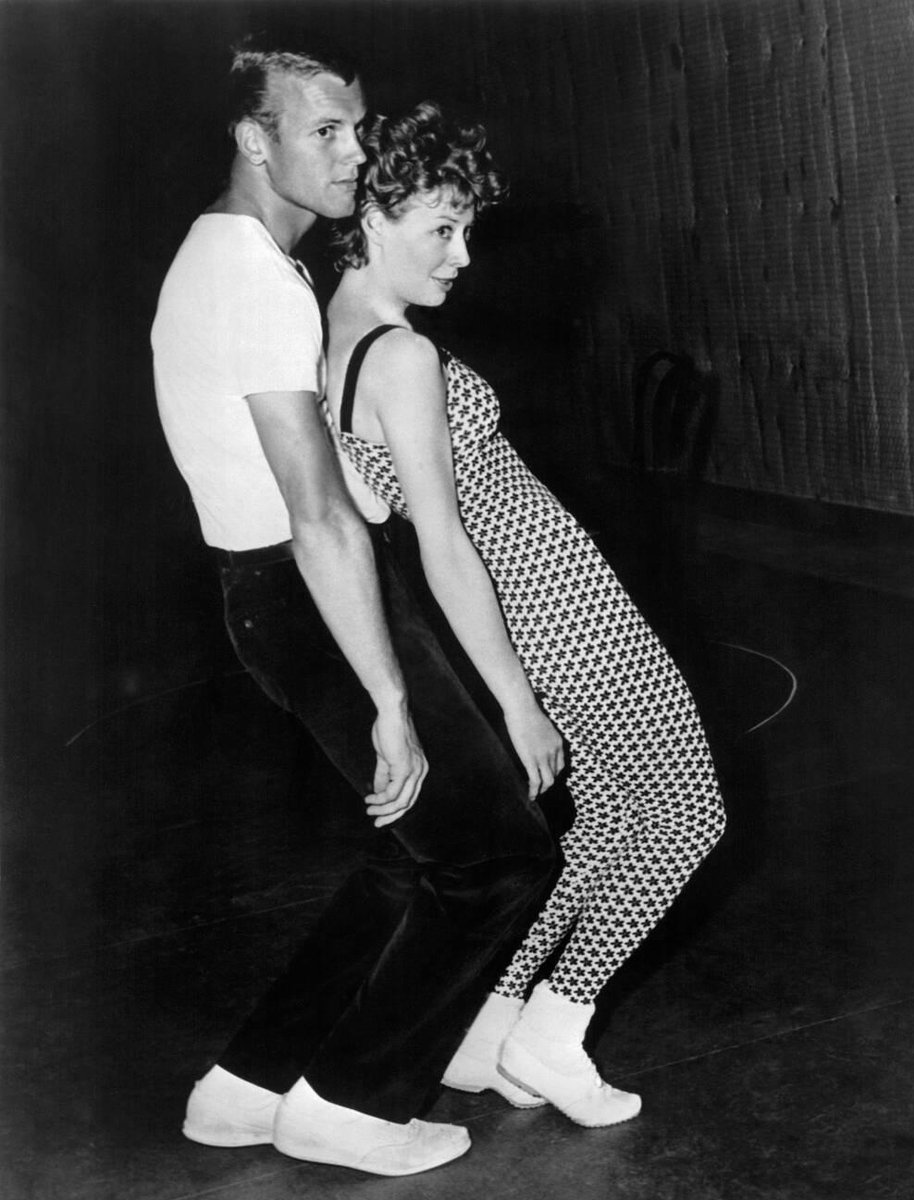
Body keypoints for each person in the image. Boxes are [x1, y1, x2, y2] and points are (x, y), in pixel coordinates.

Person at [150, 34, 557, 1177]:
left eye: (356, 127)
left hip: (282, 592)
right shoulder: (247, 279)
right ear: (253, 139)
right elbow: (321, 512)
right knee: (500, 857)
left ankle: (246, 1086)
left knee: (412, 854)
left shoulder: (234, 260)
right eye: (323, 130)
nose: (351, 151)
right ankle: (353, 1103)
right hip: (306, 590)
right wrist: (388, 692)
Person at [325, 101, 727, 1130]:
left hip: (538, 612)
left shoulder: (339, 346)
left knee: (608, 825)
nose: (462, 256)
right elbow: (441, 542)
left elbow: (374, 512)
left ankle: (491, 1020)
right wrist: (515, 703)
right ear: (372, 213)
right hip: (561, 610)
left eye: (469, 231)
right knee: (687, 813)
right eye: (441, 229)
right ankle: (555, 1029)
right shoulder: (403, 359)